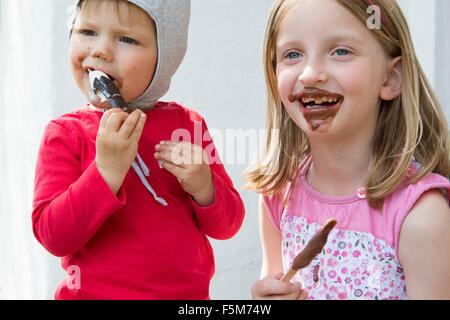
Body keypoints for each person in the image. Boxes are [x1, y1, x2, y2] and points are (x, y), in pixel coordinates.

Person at [32, 0, 244, 300]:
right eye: (87, 31)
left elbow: (228, 225)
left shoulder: (188, 125)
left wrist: (205, 186)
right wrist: (105, 172)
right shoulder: (66, 134)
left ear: (165, 56)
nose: (100, 50)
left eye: (126, 39)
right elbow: (54, 237)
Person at [247, 0, 450, 300]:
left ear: (391, 77)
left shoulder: (420, 217)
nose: (310, 74)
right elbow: (273, 280)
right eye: (293, 54)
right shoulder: (279, 193)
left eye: (341, 51)